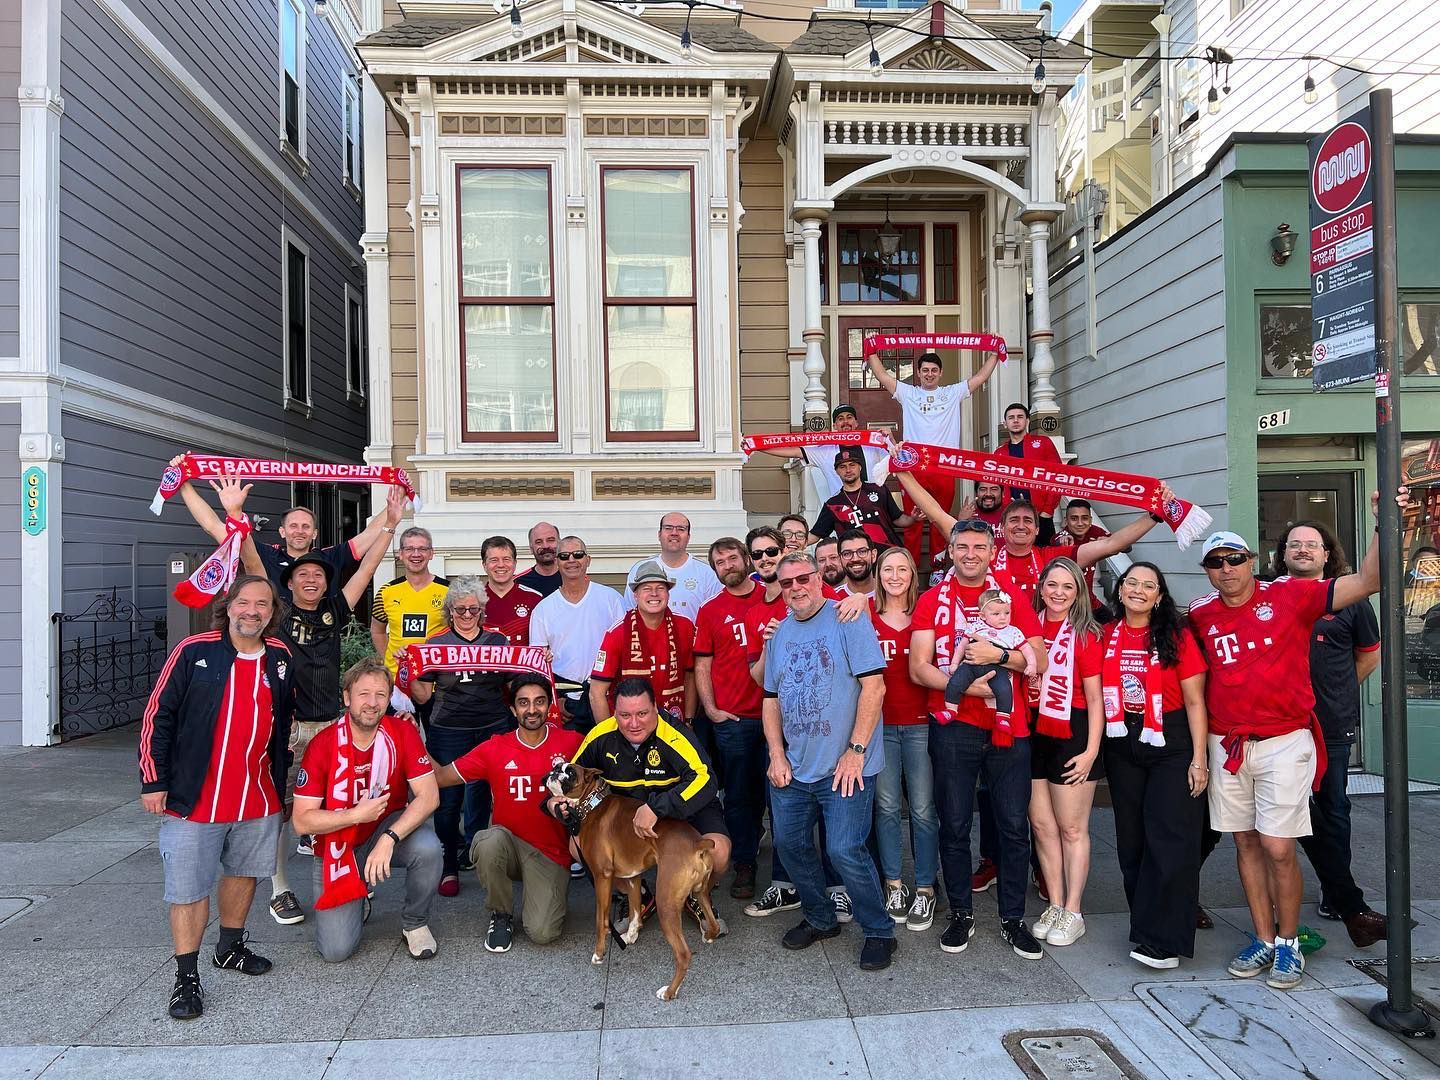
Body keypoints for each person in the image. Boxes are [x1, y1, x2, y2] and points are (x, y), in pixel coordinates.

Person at [1188, 493, 1398, 991]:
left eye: (1234, 558)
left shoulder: (1290, 596)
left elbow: (1369, 581)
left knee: (1278, 845)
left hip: (1284, 740)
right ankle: (1263, 937)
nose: (1226, 568)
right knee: (1244, 844)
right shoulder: (1199, 614)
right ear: (1207, 571)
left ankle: (1287, 943)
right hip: (1228, 745)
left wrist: (1381, 519)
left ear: (1252, 561)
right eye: (1215, 562)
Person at [230, 481, 404, 926]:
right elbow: (251, 561)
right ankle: (280, 887)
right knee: (282, 809)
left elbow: (364, 571)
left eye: (318, 574)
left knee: (339, 804)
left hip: (332, 725)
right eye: (302, 574)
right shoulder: (278, 611)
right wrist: (238, 517)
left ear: (326, 580)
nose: (310, 578)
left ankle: (345, 883)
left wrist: (390, 526)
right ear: (288, 581)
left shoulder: (336, 608)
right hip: (288, 726)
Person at [138, 575, 295, 1020]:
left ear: (272, 612)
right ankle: (186, 976)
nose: (252, 611)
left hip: (257, 795)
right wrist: (154, 780)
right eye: (243, 603)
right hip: (195, 797)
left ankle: (229, 947)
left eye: (261, 604)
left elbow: (283, 721)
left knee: (244, 873)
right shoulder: (193, 650)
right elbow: (157, 716)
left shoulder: (280, 658)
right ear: (228, 606)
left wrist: (283, 783)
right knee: (188, 890)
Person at [906, 509, 1048, 960]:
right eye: (962, 547)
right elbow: (919, 667)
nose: (970, 554)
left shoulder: (1012, 598)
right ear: (951, 551)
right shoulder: (932, 599)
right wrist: (966, 683)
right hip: (955, 727)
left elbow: (1036, 658)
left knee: (1011, 825)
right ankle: (961, 914)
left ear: (992, 553)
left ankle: (1011, 917)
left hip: (1010, 728)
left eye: (979, 548)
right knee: (954, 824)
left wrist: (999, 653)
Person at [762, 552, 896, 971]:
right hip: (795, 768)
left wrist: (855, 752)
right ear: (779, 590)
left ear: (819, 579)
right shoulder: (780, 633)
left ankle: (879, 931)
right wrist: (776, 754)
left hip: (845, 766)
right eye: (787, 583)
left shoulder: (848, 618)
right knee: (790, 845)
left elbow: (874, 687)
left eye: (804, 578)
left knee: (844, 850)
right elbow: (769, 700)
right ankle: (821, 918)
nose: (796, 587)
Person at [1272, 521, 1387, 948]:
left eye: (1311, 545)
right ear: (1282, 554)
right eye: (1294, 545)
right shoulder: (1269, 595)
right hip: (1280, 725)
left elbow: (1369, 656)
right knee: (1284, 810)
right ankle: (1310, 889)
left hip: (1331, 725)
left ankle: (1333, 894)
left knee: (1333, 809)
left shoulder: (1351, 599)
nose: (1303, 550)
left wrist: (1336, 695)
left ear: (1326, 554)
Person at [292, 657, 442, 963]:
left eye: (381, 695)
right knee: (335, 952)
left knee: (428, 847)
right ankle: (358, 894)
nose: (372, 703)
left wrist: (389, 838)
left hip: (384, 831)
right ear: (347, 697)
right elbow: (301, 821)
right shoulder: (323, 744)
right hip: (338, 844)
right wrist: (355, 815)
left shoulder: (401, 732)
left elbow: (429, 797)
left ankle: (415, 923)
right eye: (364, 694)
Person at [1101, 563, 1210, 969]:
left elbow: (1196, 701)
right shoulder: (1108, 634)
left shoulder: (1176, 636)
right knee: (1131, 839)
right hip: (1122, 737)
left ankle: (1163, 939)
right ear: (1121, 590)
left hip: (1172, 741)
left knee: (1170, 837)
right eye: (1132, 583)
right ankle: (1145, 925)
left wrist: (1199, 759)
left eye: (1149, 585)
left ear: (1160, 596)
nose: (1139, 590)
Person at [742, 527, 854, 921]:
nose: (766, 559)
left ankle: (840, 890)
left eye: (772, 551)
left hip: (833, 735)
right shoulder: (760, 612)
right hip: (788, 733)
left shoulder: (841, 607)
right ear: (753, 564)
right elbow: (763, 682)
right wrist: (770, 645)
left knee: (836, 827)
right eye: (758, 555)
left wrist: (856, 598)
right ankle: (793, 890)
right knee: (789, 826)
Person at [555, 676, 731, 925]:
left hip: (683, 808)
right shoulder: (600, 736)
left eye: (642, 713)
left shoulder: (674, 734)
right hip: (630, 818)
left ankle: (695, 894)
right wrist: (556, 802)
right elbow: (571, 776)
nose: (634, 723)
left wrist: (658, 808)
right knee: (579, 846)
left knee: (719, 852)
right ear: (614, 713)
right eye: (625, 715)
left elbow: (706, 779)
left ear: (656, 709)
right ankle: (639, 896)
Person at [436, 674, 581, 952]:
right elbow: (441, 777)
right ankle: (500, 913)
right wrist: (411, 743)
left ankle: (547, 895)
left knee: (543, 932)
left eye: (539, 702)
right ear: (513, 710)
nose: (532, 709)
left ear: (549, 706)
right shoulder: (495, 747)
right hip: (507, 846)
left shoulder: (572, 742)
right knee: (487, 841)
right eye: (523, 703)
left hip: (551, 852)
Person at [408, 576, 516, 896]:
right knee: (447, 799)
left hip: (492, 725)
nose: (467, 615)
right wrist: (411, 674)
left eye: (473, 609)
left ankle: (477, 852)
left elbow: (513, 684)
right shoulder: (435, 644)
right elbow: (423, 697)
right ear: (450, 610)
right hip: (449, 728)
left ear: (482, 610)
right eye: (460, 609)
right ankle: (449, 863)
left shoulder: (498, 642)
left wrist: (538, 665)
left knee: (481, 794)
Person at [166, 453, 391, 599]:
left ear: (315, 533)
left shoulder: (330, 557)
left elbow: (370, 535)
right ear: (282, 531)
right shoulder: (266, 555)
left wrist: (395, 504)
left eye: (305, 526)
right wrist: (183, 481)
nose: (299, 531)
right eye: (293, 526)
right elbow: (212, 525)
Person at [1024, 559, 1105, 949]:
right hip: (1032, 729)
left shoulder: (1087, 634)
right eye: (1052, 585)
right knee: (1042, 826)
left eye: (1067, 587)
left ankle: (1074, 910)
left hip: (1072, 730)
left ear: (1079, 593)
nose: (1058, 593)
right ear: (1041, 587)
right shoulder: (1027, 626)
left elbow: (1095, 697)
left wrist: (1092, 750)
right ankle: (1054, 904)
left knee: (1072, 828)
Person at [867, 349, 1001, 564]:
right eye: (925, 370)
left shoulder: (952, 392)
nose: (929, 374)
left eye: (934, 370)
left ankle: (938, 567)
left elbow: (981, 377)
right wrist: (870, 350)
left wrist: (995, 353)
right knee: (915, 518)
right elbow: (882, 375)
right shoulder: (908, 393)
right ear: (918, 373)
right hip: (914, 464)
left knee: (941, 517)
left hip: (944, 465)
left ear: (941, 373)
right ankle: (910, 565)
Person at [694, 538, 767, 900]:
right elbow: (702, 664)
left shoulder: (772, 596)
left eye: (732, 558)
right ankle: (744, 863)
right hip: (733, 718)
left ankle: (788, 867)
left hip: (774, 716)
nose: (727, 565)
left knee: (776, 792)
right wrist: (710, 710)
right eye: (719, 562)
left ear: (746, 559)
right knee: (738, 795)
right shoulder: (710, 610)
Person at [870, 547, 939, 931]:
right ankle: (894, 884)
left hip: (919, 725)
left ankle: (926, 888)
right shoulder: (863, 614)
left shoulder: (926, 616)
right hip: (879, 726)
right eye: (887, 569)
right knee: (886, 807)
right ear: (878, 575)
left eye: (902, 569)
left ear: (913, 574)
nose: (895, 576)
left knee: (924, 809)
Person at [528, 536, 625, 731]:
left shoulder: (611, 599)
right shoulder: (543, 609)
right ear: (556, 562)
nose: (571, 560)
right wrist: (555, 701)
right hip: (567, 703)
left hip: (608, 698)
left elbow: (626, 651)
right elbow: (537, 666)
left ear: (588, 560)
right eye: (564, 556)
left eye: (578, 554)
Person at [591, 560, 697, 724]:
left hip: (674, 722)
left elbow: (690, 677)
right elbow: (596, 692)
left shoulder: (684, 626)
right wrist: (609, 737)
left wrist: (689, 720)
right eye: (646, 589)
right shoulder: (618, 633)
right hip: (628, 727)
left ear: (668, 594)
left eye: (660, 588)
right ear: (635, 595)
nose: (654, 594)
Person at [933, 590, 1041, 743]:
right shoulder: (975, 626)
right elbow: (962, 646)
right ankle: (951, 709)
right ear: (982, 616)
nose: (1003, 617)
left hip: (997, 668)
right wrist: (955, 663)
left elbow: (1027, 649)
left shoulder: (1013, 632)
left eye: (1007, 613)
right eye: (996, 614)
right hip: (971, 664)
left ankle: (1003, 717)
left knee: (1004, 689)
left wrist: (1031, 664)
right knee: (955, 682)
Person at [748, 403, 890, 498]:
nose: (845, 422)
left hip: (874, 503)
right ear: (835, 425)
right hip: (843, 507)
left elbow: (896, 460)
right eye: (840, 419)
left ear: (856, 423)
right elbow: (794, 451)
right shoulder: (826, 450)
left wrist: (891, 439)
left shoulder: (873, 445)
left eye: (849, 417)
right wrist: (757, 445)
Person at [370, 527, 449, 677]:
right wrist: (389, 658)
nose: (416, 554)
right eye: (409, 549)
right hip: (397, 679)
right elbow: (377, 631)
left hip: (435, 678)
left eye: (422, 549)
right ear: (401, 554)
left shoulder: (449, 591)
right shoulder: (386, 592)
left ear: (431, 553)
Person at [623, 513, 723, 624]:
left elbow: (717, 615)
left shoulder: (707, 573)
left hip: (693, 640)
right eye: (668, 528)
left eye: (681, 529)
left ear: (688, 536)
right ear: (659, 534)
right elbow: (630, 612)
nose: (674, 533)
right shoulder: (640, 569)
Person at [807, 448, 911, 550]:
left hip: (888, 556)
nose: (848, 470)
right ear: (837, 471)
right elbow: (815, 534)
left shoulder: (879, 490)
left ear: (860, 467)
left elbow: (898, 519)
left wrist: (913, 518)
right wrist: (793, 544)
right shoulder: (833, 505)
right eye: (842, 467)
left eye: (852, 465)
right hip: (857, 561)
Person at [1000, 403, 1063, 543]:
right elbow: (997, 486)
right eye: (1011, 418)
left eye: (1020, 417)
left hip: (1041, 516)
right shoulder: (999, 453)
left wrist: (1047, 511)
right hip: (1013, 518)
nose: (1015, 420)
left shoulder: (1043, 443)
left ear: (1027, 421)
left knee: (1044, 560)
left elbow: (1058, 476)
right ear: (1005, 423)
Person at [481, 536, 544, 646]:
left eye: (506, 559)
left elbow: (544, 642)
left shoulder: (535, 599)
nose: (501, 565)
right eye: (494, 560)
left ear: (515, 563)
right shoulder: (473, 601)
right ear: (484, 565)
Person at [1055, 500, 1111, 613]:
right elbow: (1057, 540)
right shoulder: (1064, 535)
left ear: (1090, 520)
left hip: (1090, 601)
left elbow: (1126, 547)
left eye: (1085, 518)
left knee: (1110, 621)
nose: (1080, 523)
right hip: (1068, 602)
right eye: (1074, 518)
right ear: (1066, 521)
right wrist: (1063, 542)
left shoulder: (1096, 531)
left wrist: (1108, 542)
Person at [516, 522, 562, 598]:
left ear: (559, 544)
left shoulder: (572, 579)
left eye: (550, 540)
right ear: (531, 548)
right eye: (539, 542)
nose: (545, 546)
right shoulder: (518, 583)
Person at [837, 529, 880, 599]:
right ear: (839, 559)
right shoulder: (832, 599)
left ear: (873, 555)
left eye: (862, 551)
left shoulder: (889, 593)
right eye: (847, 553)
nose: (855, 559)